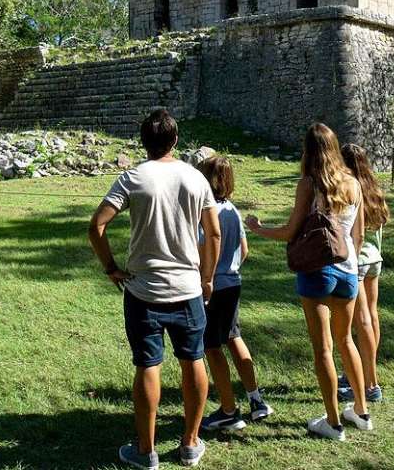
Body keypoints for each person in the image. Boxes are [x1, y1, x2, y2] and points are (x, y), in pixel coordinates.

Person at [88, 109, 221, 469]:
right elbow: (214, 233)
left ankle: (146, 452)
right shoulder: (195, 179)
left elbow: (96, 226)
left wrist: (111, 268)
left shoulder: (133, 178)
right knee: (193, 359)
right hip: (187, 287)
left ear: (143, 142)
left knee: (148, 365)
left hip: (143, 290)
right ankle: (190, 443)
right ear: (175, 140)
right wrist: (207, 277)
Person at [245, 123, 372, 441]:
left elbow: (290, 231)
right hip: (348, 269)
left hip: (318, 269)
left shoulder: (309, 183)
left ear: (309, 150)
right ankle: (360, 410)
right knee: (346, 341)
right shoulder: (354, 184)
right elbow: (357, 235)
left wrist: (258, 228)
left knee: (324, 349)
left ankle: (333, 422)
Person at [194, 156, 274, 433]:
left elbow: (202, 249)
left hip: (211, 287)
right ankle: (256, 400)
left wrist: (206, 275)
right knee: (234, 338)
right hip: (233, 283)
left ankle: (228, 410)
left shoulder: (205, 213)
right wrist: (231, 266)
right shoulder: (232, 210)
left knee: (212, 347)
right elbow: (245, 250)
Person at [337, 143, 389, 405]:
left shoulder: (350, 190)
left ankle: (370, 383)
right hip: (375, 258)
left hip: (357, 261)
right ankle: (360, 373)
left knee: (362, 321)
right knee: (372, 317)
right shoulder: (375, 190)